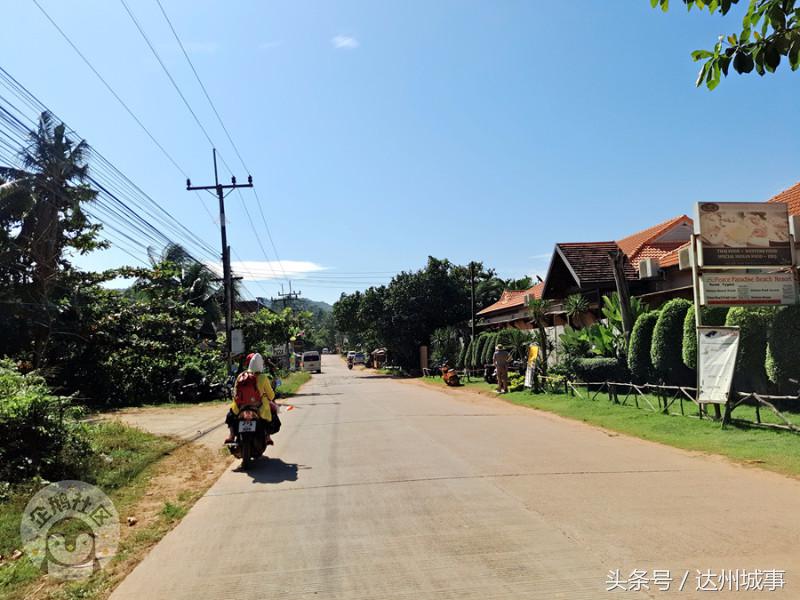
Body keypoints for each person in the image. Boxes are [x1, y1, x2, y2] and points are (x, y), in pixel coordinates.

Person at [224, 353, 278, 444]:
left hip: (241, 406)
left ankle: (231, 435)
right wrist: (267, 396)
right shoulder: (263, 377)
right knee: (270, 416)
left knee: (231, 415)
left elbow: (235, 392)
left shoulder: (241, 376)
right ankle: (267, 437)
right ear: (261, 365)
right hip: (258, 406)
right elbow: (271, 396)